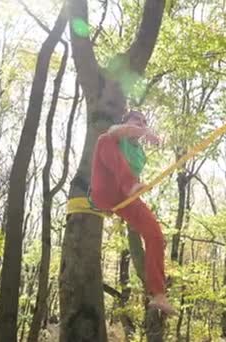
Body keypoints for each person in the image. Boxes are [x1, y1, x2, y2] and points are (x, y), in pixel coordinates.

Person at [90, 109, 176, 315]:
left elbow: (134, 173)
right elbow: (121, 132)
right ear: (126, 121)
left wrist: (133, 187)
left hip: (126, 195)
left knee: (155, 235)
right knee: (105, 140)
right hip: (105, 186)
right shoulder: (116, 134)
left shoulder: (140, 155)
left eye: (143, 122)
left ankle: (158, 294)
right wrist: (144, 132)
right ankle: (130, 186)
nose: (140, 124)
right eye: (136, 120)